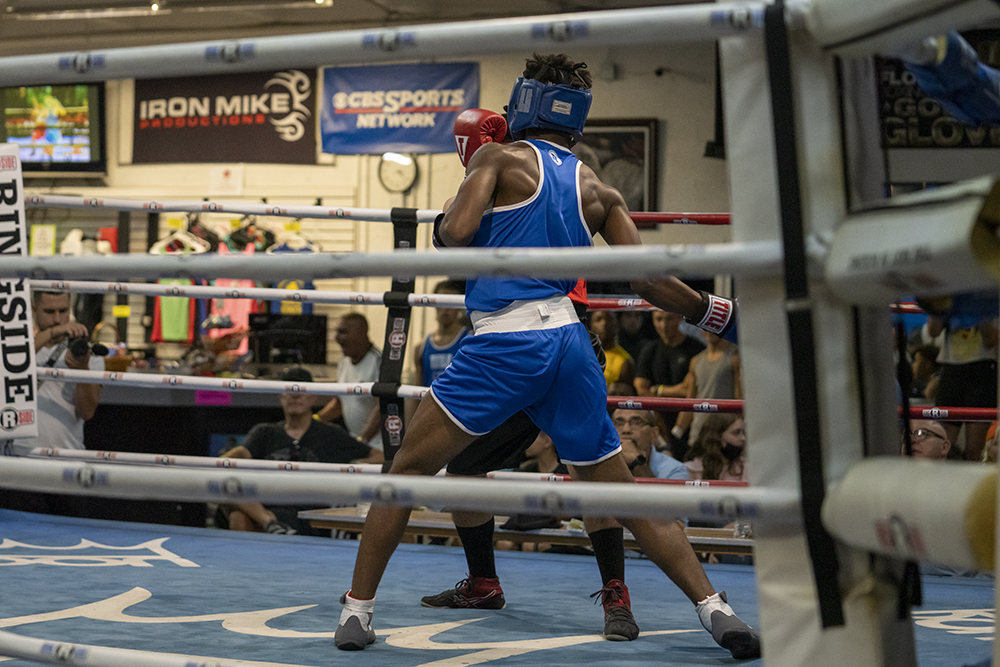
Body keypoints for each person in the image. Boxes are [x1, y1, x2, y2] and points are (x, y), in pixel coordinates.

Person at [335, 53, 755, 660]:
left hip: (504, 344)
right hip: (570, 345)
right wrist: (720, 314)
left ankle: (357, 611)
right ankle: (718, 612)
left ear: (523, 103)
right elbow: (648, 280)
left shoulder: (497, 158)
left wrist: (465, 186)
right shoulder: (599, 188)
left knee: (403, 474)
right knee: (623, 495)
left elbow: (454, 235)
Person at [216, 368, 372, 536]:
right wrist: (230, 458)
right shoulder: (264, 433)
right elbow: (237, 457)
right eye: (289, 390)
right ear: (281, 396)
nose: (295, 395)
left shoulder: (331, 434)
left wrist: (354, 466)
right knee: (237, 515)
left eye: (302, 390)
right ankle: (269, 522)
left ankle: (271, 523)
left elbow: (377, 456)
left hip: (313, 519)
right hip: (268, 516)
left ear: (313, 397)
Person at [7, 291, 104, 457]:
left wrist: (82, 371)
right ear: (34, 311)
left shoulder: (86, 354)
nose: (57, 319)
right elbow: (16, 358)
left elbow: (87, 412)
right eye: (49, 312)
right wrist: (53, 332)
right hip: (19, 458)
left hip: (66, 458)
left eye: (63, 311)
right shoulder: (17, 350)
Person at [317, 313, 384, 464]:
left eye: (343, 332)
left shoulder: (379, 362)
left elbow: (382, 407)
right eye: (337, 332)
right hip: (357, 442)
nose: (337, 338)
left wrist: (363, 440)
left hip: (378, 446)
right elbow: (340, 402)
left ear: (361, 333)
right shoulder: (343, 363)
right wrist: (315, 420)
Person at [633, 310, 705, 436]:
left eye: (669, 318)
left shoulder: (696, 350)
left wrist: (658, 390)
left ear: (680, 317)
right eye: (659, 319)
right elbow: (641, 388)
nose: (664, 325)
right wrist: (658, 419)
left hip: (691, 423)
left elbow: (688, 389)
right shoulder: (649, 350)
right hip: (660, 421)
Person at [672, 331, 741, 460]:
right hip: (698, 435)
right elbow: (690, 400)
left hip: (724, 437)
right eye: (705, 327)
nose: (708, 330)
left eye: (712, 327)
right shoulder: (696, 361)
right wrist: (677, 432)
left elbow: (740, 401)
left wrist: (740, 433)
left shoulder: (735, 358)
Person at [413, 280, 469, 388]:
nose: (445, 309)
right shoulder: (421, 348)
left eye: (451, 303)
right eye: (441, 302)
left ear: (459, 306)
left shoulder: (469, 340)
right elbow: (416, 390)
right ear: (435, 305)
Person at [612, 408, 688, 480]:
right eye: (619, 423)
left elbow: (651, 490)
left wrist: (637, 462)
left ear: (654, 434)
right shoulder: (604, 463)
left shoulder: (675, 470)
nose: (626, 430)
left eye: (636, 422)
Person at [684, 414, 748, 483]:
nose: (743, 438)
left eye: (744, 433)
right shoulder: (690, 470)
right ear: (717, 436)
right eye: (736, 433)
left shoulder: (747, 468)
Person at [590, 311, 635, 396]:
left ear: (616, 324)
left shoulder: (624, 361)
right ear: (591, 325)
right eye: (598, 320)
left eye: (609, 319)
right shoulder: (583, 356)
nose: (604, 323)